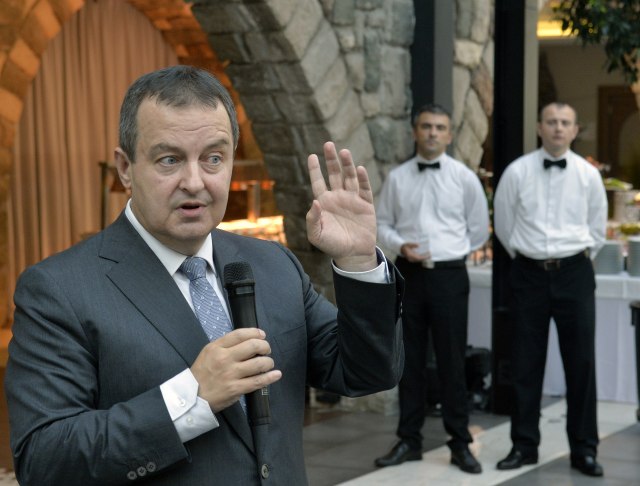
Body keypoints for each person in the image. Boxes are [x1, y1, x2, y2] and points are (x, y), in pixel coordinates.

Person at [4, 65, 405, 485]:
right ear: (125, 168)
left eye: (213, 158)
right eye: (169, 160)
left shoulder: (273, 264)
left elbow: (368, 372)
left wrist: (358, 262)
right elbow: (44, 459)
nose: (194, 182)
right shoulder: (60, 290)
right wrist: (190, 397)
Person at [493, 101, 607, 477]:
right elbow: (505, 226)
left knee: (581, 363)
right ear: (539, 128)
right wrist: (529, 257)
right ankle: (523, 446)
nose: (558, 128)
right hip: (528, 273)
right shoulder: (517, 171)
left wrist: (572, 259)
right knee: (525, 362)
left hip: (575, 272)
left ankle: (584, 449)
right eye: (552, 122)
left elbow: (597, 229)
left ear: (575, 130)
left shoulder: (588, 176)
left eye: (565, 122)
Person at [374, 103, 490, 474]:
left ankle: (460, 442)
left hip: (449, 276)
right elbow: (382, 224)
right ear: (415, 132)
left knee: (452, 359)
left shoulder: (464, 178)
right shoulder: (398, 178)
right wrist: (400, 245)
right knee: (409, 359)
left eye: (440, 127)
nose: (432, 133)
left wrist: (448, 252)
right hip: (409, 273)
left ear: (450, 135)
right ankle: (409, 440)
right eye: (426, 126)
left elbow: (478, 228)